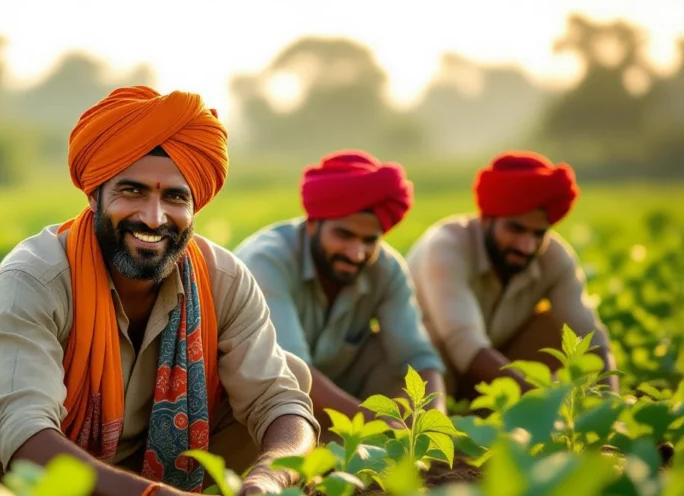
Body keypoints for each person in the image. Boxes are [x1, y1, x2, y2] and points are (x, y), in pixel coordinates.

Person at [0, 86, 320, 496]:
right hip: (22, 466)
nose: (154, 217)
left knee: (292, 377)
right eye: (132, 191)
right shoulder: (36, 276)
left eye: (174, 197)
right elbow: (24, 431)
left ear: (194, 208)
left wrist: (270, 482)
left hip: (152, 471)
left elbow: (280, 403)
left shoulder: (223, 277)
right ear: (94, 196)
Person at [234, 150, 447, 433]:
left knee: (400, 358)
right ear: (312, 225)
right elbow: (290, 370)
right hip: (264, 398)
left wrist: (434, 424)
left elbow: (418, 355)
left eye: (369, 240)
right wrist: (378, 428)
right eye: (344, 235)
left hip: (338, 388)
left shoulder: (386, 268)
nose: (356, 253)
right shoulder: (267, 261)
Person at [406, 151, 618, 399]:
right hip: (434, 377)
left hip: (498, 368)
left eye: (538, 233)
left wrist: (611, 407)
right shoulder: (447, 247)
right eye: (515, 229)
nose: (526, 245)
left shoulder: (554, 257)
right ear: (486, 219)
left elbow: (591, 337)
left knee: (559, 329)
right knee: (427, 340)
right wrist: (542, 405)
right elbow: (465, 345)